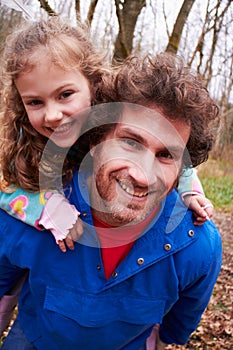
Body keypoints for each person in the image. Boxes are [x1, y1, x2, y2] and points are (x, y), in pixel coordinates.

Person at [0, 15, 213, 335]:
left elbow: (168, 152)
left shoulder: (116, 113)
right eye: (35, 102)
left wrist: (190, 191)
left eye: (65, 95)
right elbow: (5, 187)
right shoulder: (26, 143)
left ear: (96, 87)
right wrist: (43, 206)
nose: (53, 114)